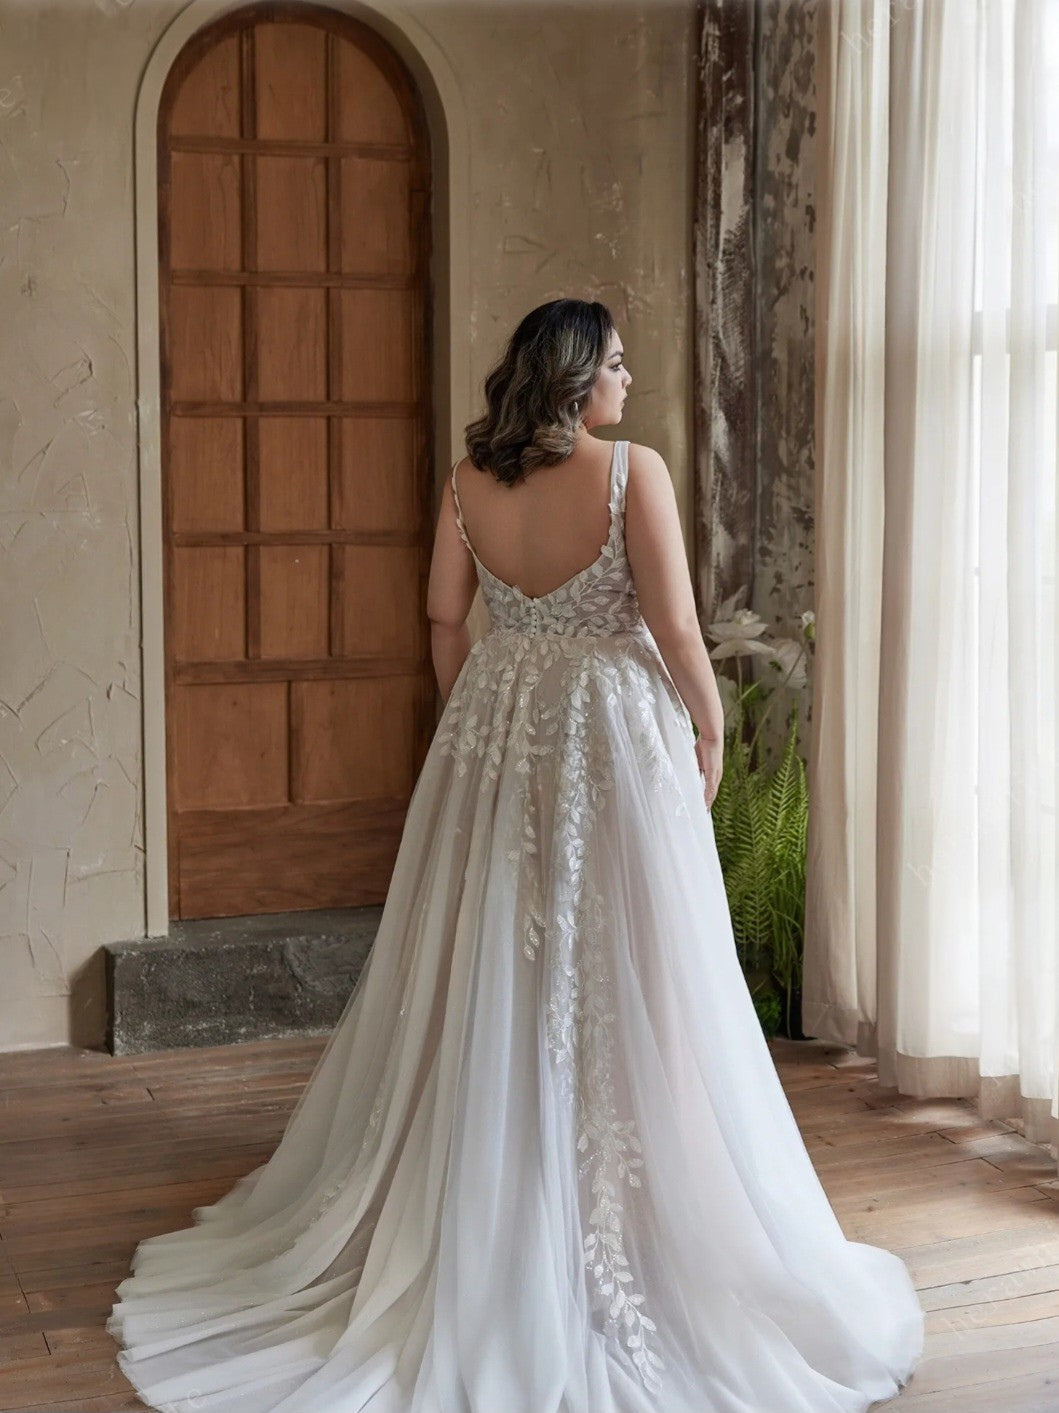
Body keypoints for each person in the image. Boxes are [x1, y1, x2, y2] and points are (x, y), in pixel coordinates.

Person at [107, 298, 924, 1413]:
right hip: (612, 733)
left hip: (501, 723)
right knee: (639, 961)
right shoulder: (633, 474)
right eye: (619, 367)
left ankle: (491, 1170)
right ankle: (638, 1190)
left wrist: (478, 710)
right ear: (580, 378)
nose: (628, 384)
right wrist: (710, 724)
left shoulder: (466, 481)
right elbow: (679, 632)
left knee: (493, 950)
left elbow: (444, 616)